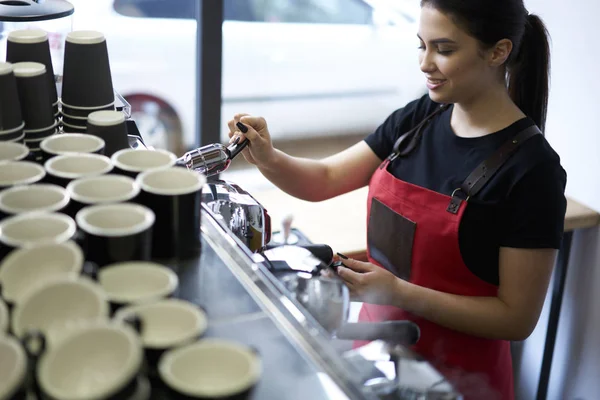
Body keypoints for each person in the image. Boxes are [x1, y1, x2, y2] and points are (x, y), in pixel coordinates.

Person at [227, 1, 566, 399]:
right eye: (421, 45)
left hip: (459, 381)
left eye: (444, 49)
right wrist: (268, 156)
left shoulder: (532, 170)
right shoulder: (422, 117)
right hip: (375, 355)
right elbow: (325, 179)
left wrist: (400, 292)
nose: (425, 63)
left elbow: (516, 318)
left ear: (498, 51)